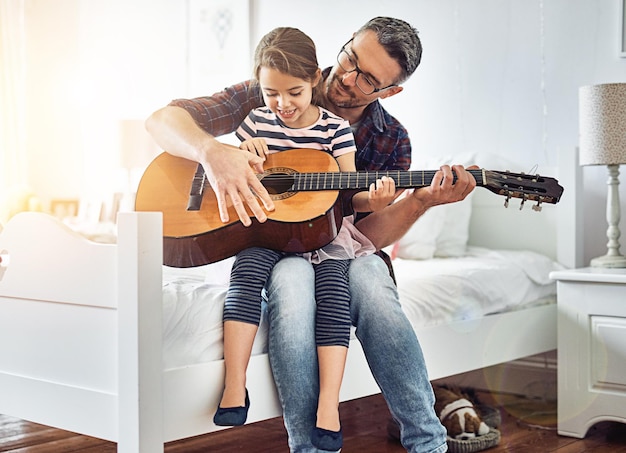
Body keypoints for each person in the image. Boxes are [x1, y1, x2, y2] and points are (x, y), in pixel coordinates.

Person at [146, 16, 476, 453]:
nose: (346, 77)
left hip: (345, 251)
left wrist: (419, 201)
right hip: (278, 249)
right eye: (350, 57)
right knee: (291, 282)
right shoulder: (278, 84)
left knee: (372, 286)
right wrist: (212, 152)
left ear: (390, 91)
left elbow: (366, 237)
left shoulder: (390, 137)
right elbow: (161, 121)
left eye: (367, 79)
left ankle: (428, 443)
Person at [212, 27, 395, 452]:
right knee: (244, 276)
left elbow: (350, 193)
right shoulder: (255, 122)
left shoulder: (335, 130)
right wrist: (245, 154)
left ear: (315, 78)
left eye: (293, 92)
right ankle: (234, 386)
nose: (282, 105)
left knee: (334, 297)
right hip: (264, 232)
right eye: (271, 93)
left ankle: (328, 406)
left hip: (323, 238)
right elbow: (234, 178)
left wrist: (378, 199)